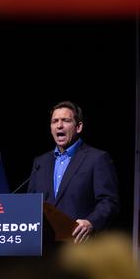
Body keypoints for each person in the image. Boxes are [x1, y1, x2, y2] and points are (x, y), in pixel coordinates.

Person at [27, 101, 120, 244]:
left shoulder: (97, 159)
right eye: (55, 121)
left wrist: (91, 222)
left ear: (78, 127)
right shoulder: (40, 162)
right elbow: (31, 203)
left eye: (66, 120)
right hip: (44, 249)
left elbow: (109, 201)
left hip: (79, 245)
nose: (59, 125)